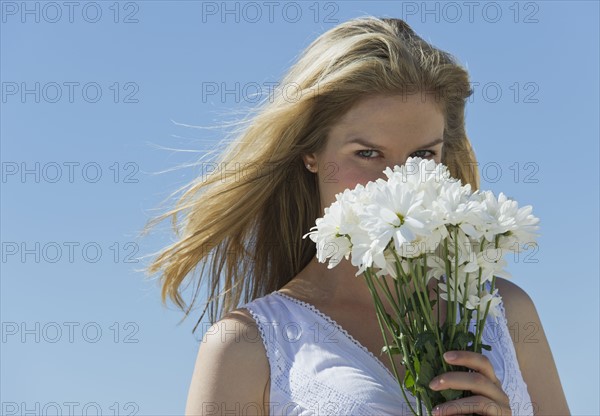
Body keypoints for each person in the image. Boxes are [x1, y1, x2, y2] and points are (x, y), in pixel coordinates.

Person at [146, 17, 570, 415]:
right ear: (310, 152)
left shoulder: (503, 310)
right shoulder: (244, 345)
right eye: (367, 153)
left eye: (422, 154)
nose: (398, 180)